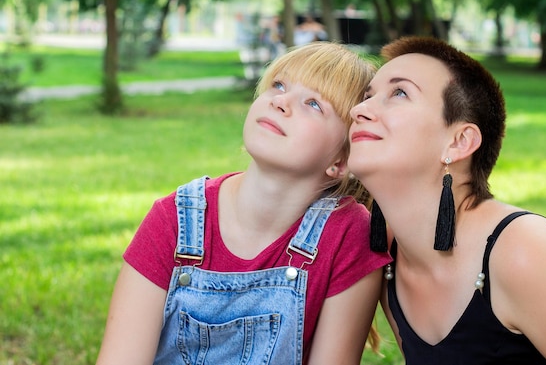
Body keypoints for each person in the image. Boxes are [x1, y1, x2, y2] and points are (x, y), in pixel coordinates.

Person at [96, 41, 391, 365]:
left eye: (313, 104)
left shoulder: (348, 235)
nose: (280, 101)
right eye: (279, 85)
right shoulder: (174, 220)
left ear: (340, 160)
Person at [348, 36, 546, 364]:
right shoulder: (390, 256)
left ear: (459, 142)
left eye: (399, 92)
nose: (359, 109)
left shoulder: (529, 254)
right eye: (368, 96)